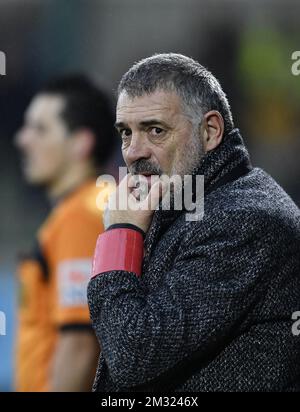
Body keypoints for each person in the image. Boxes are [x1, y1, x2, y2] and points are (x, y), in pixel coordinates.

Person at [87, 53, 300, 392]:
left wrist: (120, 236)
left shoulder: (246, 221)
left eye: (155, 130)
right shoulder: (182, 203)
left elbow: (133, 353)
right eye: (126, 133)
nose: (133, 152)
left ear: (210, 131)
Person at [15, 75, 116, 392]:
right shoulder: (92, 206)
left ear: (80, 143)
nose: (23, 139)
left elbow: (80, 341)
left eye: (40, 129)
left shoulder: (81, 216)